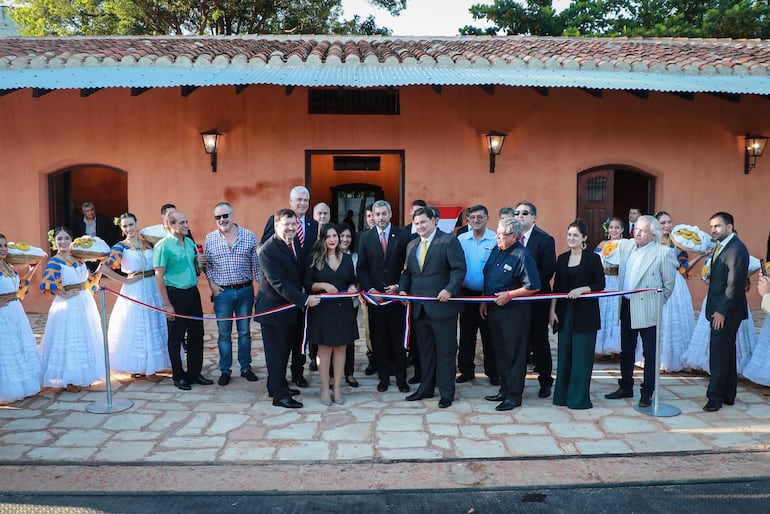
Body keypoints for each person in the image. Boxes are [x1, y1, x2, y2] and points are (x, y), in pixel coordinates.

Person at [604, 215, 676, 408]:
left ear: (653, 234)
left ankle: (647, 392)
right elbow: (608, 250)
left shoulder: (663, 253)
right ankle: (626, 386)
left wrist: (655, 304)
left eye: (642, 230)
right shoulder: (627, 247)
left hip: (648, 309)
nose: (637, 233)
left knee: (650, 353)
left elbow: (668, 285)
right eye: (636, 229)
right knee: (626, 350)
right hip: (626, 305)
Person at [399, 206, 466, 408]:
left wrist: (450, 290)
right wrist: (403, 290)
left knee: (445, 352)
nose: (420, 226)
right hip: (419, 308)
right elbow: (407, 273)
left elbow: (459, 269)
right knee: (425, 352)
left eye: (423, 222)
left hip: (442, 308)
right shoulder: (412, 245)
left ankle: (446, 392)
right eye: (416, 223)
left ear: (434, 221)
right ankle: (425, 388)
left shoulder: (448, 241)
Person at [255, 209, 320, 409]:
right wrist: (304, 299)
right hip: (273, 311)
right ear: (276, 226)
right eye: (286, 224)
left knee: (283, 353)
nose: (291, 228)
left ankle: (276, 386)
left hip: (289, 310)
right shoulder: (267, 249)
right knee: (276, 354)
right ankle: (280, 397)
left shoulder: (294, 244)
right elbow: (278, 283)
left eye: (294, 224)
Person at [480, 217, 541, 411]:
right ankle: (504, 389)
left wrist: (509, 295)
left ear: (514, 236)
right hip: (494, 309)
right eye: (497, 234)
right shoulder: (497, 251)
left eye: (501, 235)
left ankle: (514, 396)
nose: (497, 237)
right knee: (501, 352)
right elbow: (488, 276)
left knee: (514, 353)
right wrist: (484, 300)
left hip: (513, 313)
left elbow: (533, 286)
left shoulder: (522, 255)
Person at [100, 213, 169, 382]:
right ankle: (137, 367)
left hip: (152, 285)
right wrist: (125, 279)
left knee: (153, 323)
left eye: (131, 224)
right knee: (137, 325)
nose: (129, 229)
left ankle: (151, 367)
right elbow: (104, 268)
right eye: (125, 226)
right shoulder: (120, 247)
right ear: (121, 229)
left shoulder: (148, 242)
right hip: (134, 289)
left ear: (137, 224)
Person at [39, 226, 105, 392]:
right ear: (54, 242)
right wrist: (63, 294)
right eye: (59, 239)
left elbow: (90, 278)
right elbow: (48, 282)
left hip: (84, 300)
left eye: (66, 238)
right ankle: (69, 379)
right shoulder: (55, 261)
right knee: (70, 338)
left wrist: (102, 265)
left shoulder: (78, 258)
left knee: (84, 336)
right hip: (67, 304)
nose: (63, 242)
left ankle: (84, 374)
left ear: (71, 240)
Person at [153, 211, 213, 391]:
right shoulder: (163, 246)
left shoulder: (189, 242)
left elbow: (196, 270)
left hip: (192, 293)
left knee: (197, 334)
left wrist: (201, 263)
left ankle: (194, 373)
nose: (187, 225)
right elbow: (159, 276)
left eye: (187, 221)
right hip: (175, 295)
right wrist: (167, 304)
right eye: (182, 223)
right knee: (176, 337)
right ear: (171, 225)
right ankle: (178, 376)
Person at [549, 220, 605, 409]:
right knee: (564, 356)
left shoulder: (593, 259)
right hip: (565, 313)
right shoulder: (562, 258)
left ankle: (578, 399)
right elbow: (556, 287)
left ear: (584, 238)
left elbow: (600, 284)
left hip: (585, 314)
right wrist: (552, 311)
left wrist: (583, 289)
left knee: (581, 358)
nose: (571, 238)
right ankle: (561, 397)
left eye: (575, 235)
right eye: (569, 234)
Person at [357, 200, 411, 393]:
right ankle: (384, 377)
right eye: (377, 214)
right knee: (379, 339)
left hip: (396, 298)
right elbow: (361, 267)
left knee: (398, 338)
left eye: (383, 214)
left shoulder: (403, 235)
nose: (380, 217)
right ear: (373, 216)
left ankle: (401, 377)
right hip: (376, 299)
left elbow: (408, 266)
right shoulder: (365, 237)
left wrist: (399, 286)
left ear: (390, 214)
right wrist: (370, 289)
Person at [204, 202, 260, 386]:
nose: (222, 220)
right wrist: (212, 285)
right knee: (224, 334)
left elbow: (257, 266)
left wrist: (262, 289)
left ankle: (245, 367)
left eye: (225, 215)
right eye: (218, 217)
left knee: (244, 332)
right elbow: (207, 266)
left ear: (233, 215)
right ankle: (225, 370)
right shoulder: (210, 239)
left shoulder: (249, 236)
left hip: (245, 291)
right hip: (223, 294)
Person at [304, 224, 358, 406]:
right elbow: (307, 283)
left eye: (335, 235)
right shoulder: (315, 258)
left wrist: (352, 287)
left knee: (341, 348)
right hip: (322, 310)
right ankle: (325, 388)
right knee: (325, 349)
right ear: (322, 239)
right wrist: (324, 286)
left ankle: (337, 389)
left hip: (343, 310)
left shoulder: (348, 259)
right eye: (328, 236)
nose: (333, 239)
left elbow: (353, 280)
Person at [642, 211, 702, 372]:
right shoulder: (650, 242)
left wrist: (701, 256)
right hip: (654, 281)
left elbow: (684, 268)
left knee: (672, 320)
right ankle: (652, 358)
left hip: (675, 283)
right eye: (663, 223)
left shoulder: (677, 243)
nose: (667, 226)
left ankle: (673, 359)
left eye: (669, 222)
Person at [703, 212, 749, 412]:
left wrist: (721, 311)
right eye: (711, 226)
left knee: (718, 354)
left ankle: (715, 397)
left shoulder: (736, 249)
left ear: (729, 227)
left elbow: (735, 285)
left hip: (726, 311)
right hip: (722, 308)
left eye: (718, 226)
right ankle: (728, 394)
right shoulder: (723, 246)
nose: (713, 229)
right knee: (727, 352)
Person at [514, 200, 556, 398]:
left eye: (524, 213)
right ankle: (516, 383)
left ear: (533, 217)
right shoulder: (511, 237)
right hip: (516, 300)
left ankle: (546, 381)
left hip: (537, 297)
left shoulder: (545, 239)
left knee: (539, 341)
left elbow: (548, 269)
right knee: (519, 341)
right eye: (517, 213)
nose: (520, 216)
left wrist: (527, 287)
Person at [456, 204, 497, 385]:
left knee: (489, 335)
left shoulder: (495, 238)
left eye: (480, 217)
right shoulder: (461, 239)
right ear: (468, 220)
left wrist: (485, 297)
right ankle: (466, 371)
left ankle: (493, 372)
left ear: (487, 218)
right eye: (472, 218)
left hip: (487, 295)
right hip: (465, 294)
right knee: (466, 334)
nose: (476, 220)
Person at [0, 233, 42, 403]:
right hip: (2, 313)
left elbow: (19, 285)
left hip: (15, 309)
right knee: (6, 348)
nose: (3, 249)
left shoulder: (8, 266)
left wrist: (32, 271)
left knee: (19, 344)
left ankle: (24, 383)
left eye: (4, 246)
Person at [594, 217, 623, 356]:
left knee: (615, 312)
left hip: (617, 281)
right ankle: (602, 348)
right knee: (603, 311)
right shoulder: (602, 244)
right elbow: (593, 259)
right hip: (605, 280)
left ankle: (615, 349)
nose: (614, 230)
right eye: (611, 227)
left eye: (617, 227)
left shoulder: (625, 244)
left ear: (622, 230)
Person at [337, 224, 360, 388]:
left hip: (351, 303)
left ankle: (349, 373)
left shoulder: (356, 256)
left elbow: (359, 277)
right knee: (333, 340)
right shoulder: (329, 255)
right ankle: (332, 374)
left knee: (349, 338)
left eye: (348, 236)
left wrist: (355, 287)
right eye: (342, 236)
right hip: (331, 304)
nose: (345, 239)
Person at [362, 202, 377, 376]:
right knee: (368, 327)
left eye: (374, 214)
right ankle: (372, 357)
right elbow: (361, 266)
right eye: (368, 216)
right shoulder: (362, 238)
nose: (372, 219)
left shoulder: (397, 235)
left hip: (388, 292)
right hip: (367, 291)